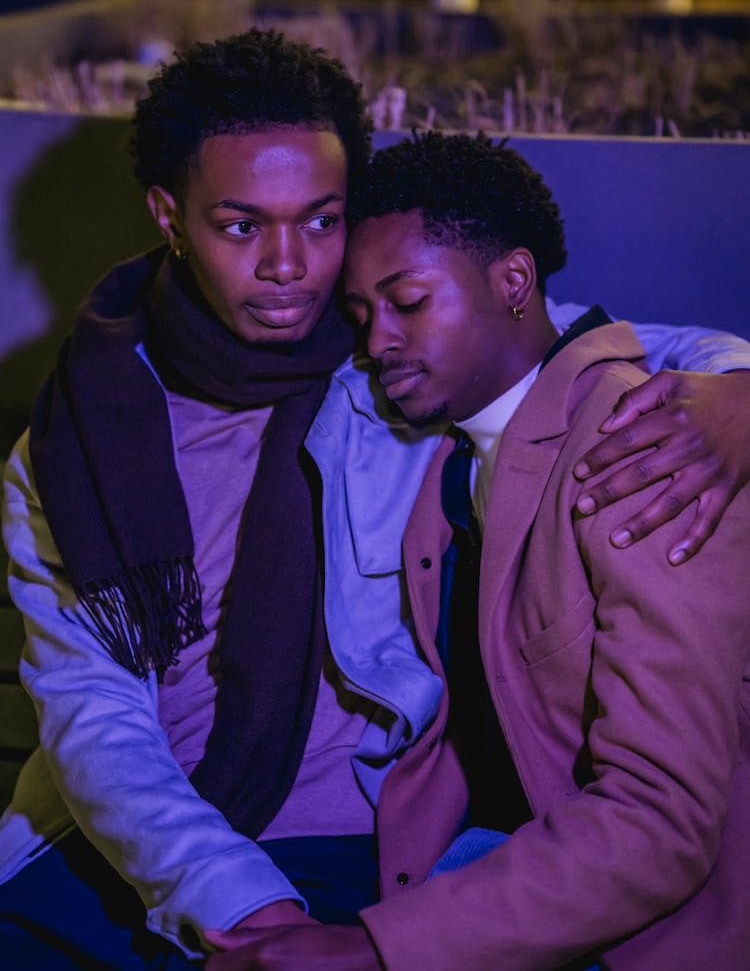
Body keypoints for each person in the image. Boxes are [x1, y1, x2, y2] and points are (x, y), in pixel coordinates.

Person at [0, 33, 748, 969]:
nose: (290, 265)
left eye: (321, 220)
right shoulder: (73, 446)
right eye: (240, 226)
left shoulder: (389, 362)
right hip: (143, 837)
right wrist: (242, 901)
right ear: (169, 214)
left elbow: (565, 338)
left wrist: (742, 391)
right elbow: (93, 709)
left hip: (368, 833)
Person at [207, 131, 750, 969]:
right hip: (500, 860)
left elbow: (660, 822)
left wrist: (377, 949)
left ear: (514, 281)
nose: (376, 340)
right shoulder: (453, 463)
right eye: (360, 314)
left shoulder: (634, 453)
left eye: (408, 300)